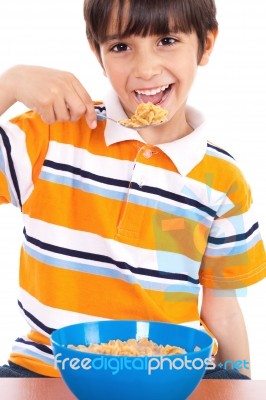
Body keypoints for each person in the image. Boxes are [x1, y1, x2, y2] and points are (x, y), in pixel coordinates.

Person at [0, 0, 265, 379]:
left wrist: (241, 383)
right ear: (98, 53)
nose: (145, 69)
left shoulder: (223, 180)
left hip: (175, 375)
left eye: (168, 40)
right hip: (51, 372)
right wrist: (8, 84)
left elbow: (222, 310)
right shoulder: (48, 136)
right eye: (121, 47)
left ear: (206, 44)